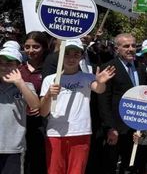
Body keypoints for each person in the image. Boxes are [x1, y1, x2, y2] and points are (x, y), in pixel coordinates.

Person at [39, 39, 116, 174]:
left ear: (81, 56)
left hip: (81, 132)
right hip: (55, 134)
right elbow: (43, 112)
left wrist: (101, 82)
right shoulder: (49, 79)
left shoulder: (87, 77)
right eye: (67, 54)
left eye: (76, 54)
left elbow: (99, 89)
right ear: (61, 55)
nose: (71, 58)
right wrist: (48, 96)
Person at [98, 33, 147, 174]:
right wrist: (110, 127)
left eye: (133, 45)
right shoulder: (108, 69)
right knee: (111, 166)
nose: (131, 49)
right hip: (117, 129)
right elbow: (104, 101)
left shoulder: (141, 67)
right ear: (116, 49)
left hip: (137, 128)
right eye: (126, 46)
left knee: (132, 166)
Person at [0, 44, 40, 174]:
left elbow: (35, 106)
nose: (4, 67)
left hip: (14, 148)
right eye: (1, 63)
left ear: (18, 66)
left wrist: (20, 83)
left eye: (10, 63)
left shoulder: (26, 86)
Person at [19, 32, 51, 174]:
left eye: (35, 47)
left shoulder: (50, 69)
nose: (31, 50)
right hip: (21, 122)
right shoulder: (18, 69)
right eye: (27, 47)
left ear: (44, 47)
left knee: (39, 161)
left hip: (44, 123)